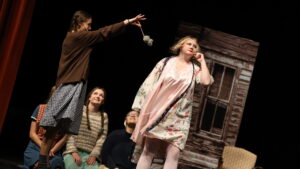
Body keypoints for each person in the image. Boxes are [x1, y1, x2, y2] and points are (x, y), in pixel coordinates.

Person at [37, 10, 146, 169]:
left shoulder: (76, 38)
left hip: (72, 85)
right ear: (79, 23)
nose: (89, 28)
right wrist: (127, 22)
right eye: (88, 24)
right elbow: (103, 33)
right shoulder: (77, 37)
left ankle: (43, 162)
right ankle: (42, 163)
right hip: (69, 85)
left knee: (56, 129)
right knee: (53, 127)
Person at [130, 36, 214, 169]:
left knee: (173, 155)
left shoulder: (194, 69)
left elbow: (206, 81)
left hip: (180, 119)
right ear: (181, 45)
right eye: (189, 44)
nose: (192, 47)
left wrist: (202, 62)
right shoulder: (166, 62)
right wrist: (137, 108)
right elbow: (148, 83)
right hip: (159, 113)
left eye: (194, 46)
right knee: (148, 152)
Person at [23, 86, 68, 169]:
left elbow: (65, 138)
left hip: (53, 151)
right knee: (41, 165)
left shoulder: (66, 115)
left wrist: (53, 150)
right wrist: (44, 147)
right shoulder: (41, 108)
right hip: (35, 147)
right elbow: (32, 133)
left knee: (56, 164)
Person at [63, 87, 108, 169]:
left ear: (103, 101)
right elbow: (70, 131)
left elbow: (102, 138)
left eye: (101, 95)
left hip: (90, 155)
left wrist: (94, 155)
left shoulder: (103, 116)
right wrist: (73, 151)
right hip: (73, 151)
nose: (98, 96)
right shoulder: (79, 109)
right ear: (90, 97)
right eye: (95, 93)